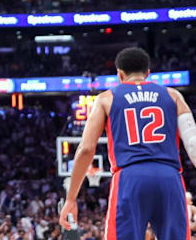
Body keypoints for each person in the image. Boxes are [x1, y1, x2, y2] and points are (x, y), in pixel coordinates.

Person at [60, 47, 195, 239]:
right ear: (148, 73)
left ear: (120, 74)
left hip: (130, 177)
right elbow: (193, 144)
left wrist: (71, 198)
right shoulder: (173, 95)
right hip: (169, 176)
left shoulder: (106, 98)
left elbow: (86, 149)